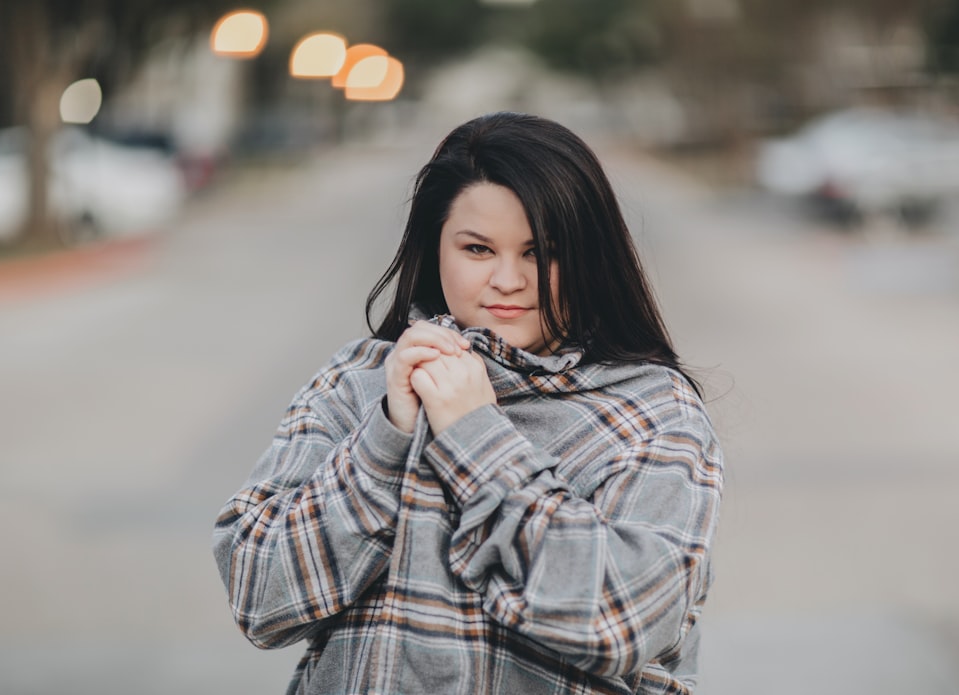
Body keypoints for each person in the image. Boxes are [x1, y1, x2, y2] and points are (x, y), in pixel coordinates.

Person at [213, 112, 724, 695]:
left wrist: (477, 438)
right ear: (436, 249)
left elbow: (627, 621)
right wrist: (384, 440)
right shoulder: (360, 381)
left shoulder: (652, 409)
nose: (508, 280)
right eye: (478, 248)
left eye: (542, 252)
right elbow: (259, 599)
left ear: (588, 257)